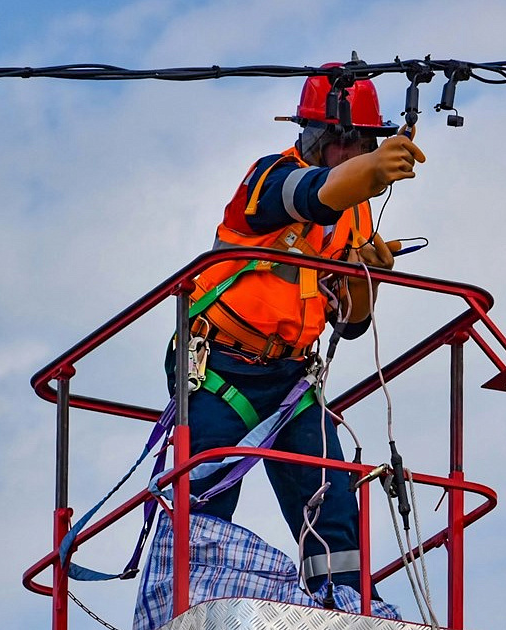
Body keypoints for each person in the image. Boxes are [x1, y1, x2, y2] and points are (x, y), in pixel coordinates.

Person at [167, 65, 425, 601]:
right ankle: (188, 601)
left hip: (291, 379)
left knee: (330, 495)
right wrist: (372, 171)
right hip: (221, 367)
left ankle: (345, 603)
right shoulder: (265, 181)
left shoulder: (355, 219)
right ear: (319, 137)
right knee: (205, 493)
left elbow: (352, 327)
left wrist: (367, 279)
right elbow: (310, 195)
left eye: (365, 143)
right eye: (347, 141)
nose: (354, 152)